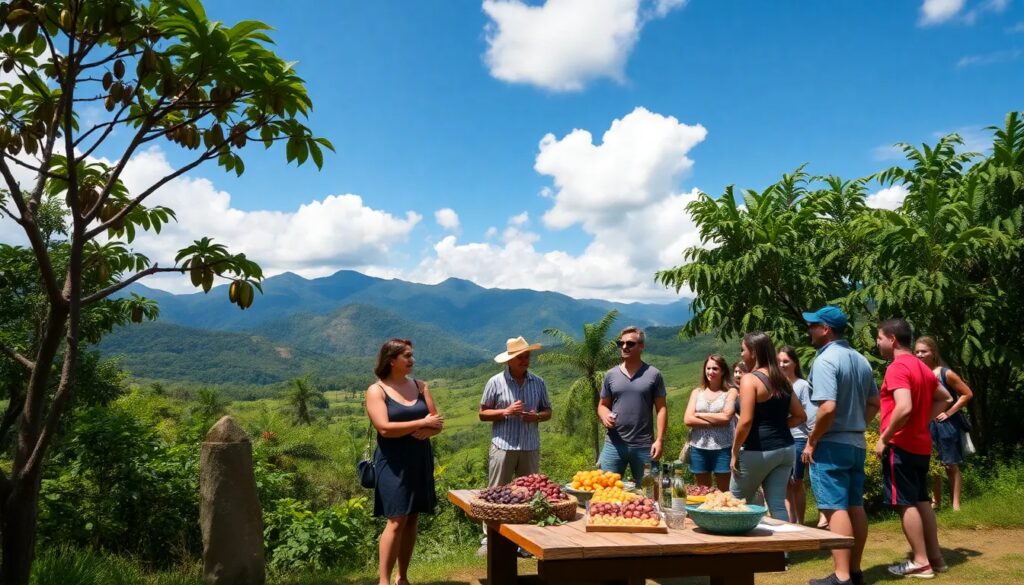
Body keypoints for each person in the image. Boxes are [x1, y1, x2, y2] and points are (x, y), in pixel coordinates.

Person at [802, 306, 879, 585]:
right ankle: (855, 572)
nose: (809, 330)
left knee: (835, 508)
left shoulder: (825, 361)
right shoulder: (861, 360)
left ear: (826, 330)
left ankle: (842, 576)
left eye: (813, 325)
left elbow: (827, 407)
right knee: (855, 505)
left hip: (831, 443)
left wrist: (812, 440)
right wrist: (857, 422)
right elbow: (874, 403)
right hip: (856, 442)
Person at [365, 339, 443, 585]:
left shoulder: (421, 387)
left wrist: (429, 429)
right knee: (397, 519)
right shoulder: (376, 391)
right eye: (406, 356)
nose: (412, 360)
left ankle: (403, 577)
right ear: (391, 360)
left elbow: (437, 422)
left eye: (412, 355)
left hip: (420, 459)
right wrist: (421, 424)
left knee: (412, 518)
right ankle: (384, 581)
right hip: (393, 462)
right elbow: (385, 428)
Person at [875, 319, 949, 578]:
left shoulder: (897, 367)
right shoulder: (921, 366)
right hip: (920, 444)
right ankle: (936, 558)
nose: (878, 343)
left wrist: (884, 437)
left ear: (892, 339)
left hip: (900, 446)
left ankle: (920, 562)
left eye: (879, 337)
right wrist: (923, 420)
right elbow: (945, 397)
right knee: (921, 501)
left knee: (905, 503)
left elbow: (904, 407)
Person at [730, 332, 806, 522]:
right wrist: (777, 426)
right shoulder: (782, 379)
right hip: (786, 450)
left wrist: (734, 451)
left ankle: (733, 550)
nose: (741, 354)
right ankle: (784, 552)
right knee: (778, 504)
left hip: (757, 451)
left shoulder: (750, 380)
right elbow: (800, 415)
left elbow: (745, 421)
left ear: (754, 352)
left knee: (734, 502)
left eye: (743, 350)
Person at [479, 336, 552, 488]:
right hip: (503, 447)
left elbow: (548, 411)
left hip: (529, 447)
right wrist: (506, 411)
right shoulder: (495, 382)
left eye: (527, 357)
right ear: (509, 360)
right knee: (497, 493)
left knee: (529, 493)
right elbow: (482, 414)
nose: (524, 361)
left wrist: (536, 416)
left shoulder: (538, 382)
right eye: (520, 357)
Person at [597, 326, 668, 482]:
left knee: (650, 493)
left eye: (630, 344)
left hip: (644, 446)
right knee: (605, 492)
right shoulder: (611, 375)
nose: (624, 347)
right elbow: (602, 404)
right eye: (620, 343)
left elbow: (661, 408)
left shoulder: (653, 374)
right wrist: (604, 415)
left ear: (641, 346)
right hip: (613, 444)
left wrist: (660, 440)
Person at [915, 335, 974, 511]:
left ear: (933, 352)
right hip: (927, 424)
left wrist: (948, 412)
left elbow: (967, 393)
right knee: (934, 464)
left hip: (947, 424)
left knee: (950, 464)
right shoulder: (918, 373)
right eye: (916, 351)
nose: (919, 355)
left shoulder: (944, 373)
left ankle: (956, 504)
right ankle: (936, 502)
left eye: (923, 351)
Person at [684, 354, 738, 492]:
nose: (711, 372)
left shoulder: (731, 392)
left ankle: (723, 514)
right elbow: (688, 419)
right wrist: (715, 420)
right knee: (702, 491)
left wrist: (700, 415)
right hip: (698, 447)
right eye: (708, 368)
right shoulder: (697, 392)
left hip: (723, 448)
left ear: (723, 371)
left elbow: (726, 418)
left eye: (715, 369)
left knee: (724, 491)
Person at [779, 345, 816, 526]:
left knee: (796, 483)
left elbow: (808, 414)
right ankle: (790, 522)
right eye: (779, 362)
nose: (782, 365)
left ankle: (800, 522)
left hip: (798, 438)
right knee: (785, 484)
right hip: (780, 439)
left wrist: (810, 441)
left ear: (795, 363)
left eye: (786, 361)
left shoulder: (802, 385)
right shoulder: (777, 386)